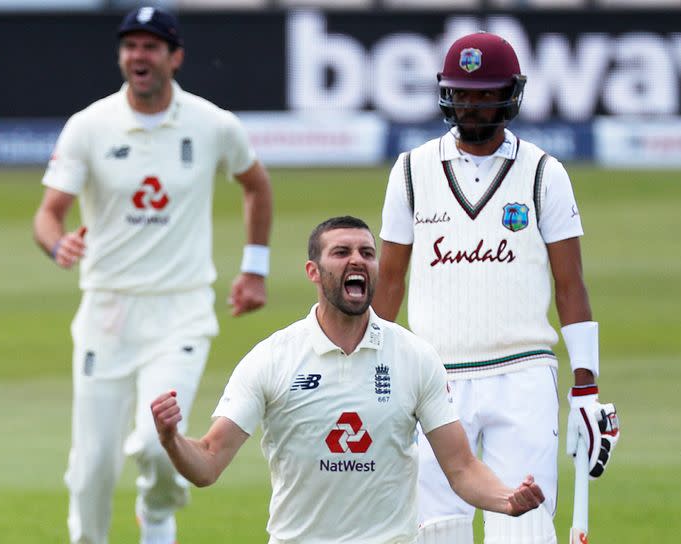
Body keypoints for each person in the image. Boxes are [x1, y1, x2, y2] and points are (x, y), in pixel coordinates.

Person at [151, 216, 546, 544]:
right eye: (341, 253)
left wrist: (505, 499)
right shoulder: (272, 358)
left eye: (367, 253)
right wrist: (171, 439)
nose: (357, 260)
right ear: (314, 271)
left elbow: (461, 467)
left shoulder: (415, 357)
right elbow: (207, 464)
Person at [32, 6, 273, 544]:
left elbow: (256, 184)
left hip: (180, 311)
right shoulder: (90, 126)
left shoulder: (212, 124)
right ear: (121, 56)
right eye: (130, 46)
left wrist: (254, 269)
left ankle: (158, 514)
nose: (138, 56)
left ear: (174, 56)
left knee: (155, 440)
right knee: (93, 464)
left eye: (151, 46)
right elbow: (48, 213)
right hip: (107, 313)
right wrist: (59, 244)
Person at [373, 32, 620, 544]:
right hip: (433, 375)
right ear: (446, 93)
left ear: (511, 92)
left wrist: (587, 389)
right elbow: (390, 281)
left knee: (525, 527)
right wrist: (368, 368)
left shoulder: (544, 173)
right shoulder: (411, 172)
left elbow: (570, 285)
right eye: (463, 92)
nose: (473, 103)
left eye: (486, 92)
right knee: (436, 530)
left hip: (523, 373)